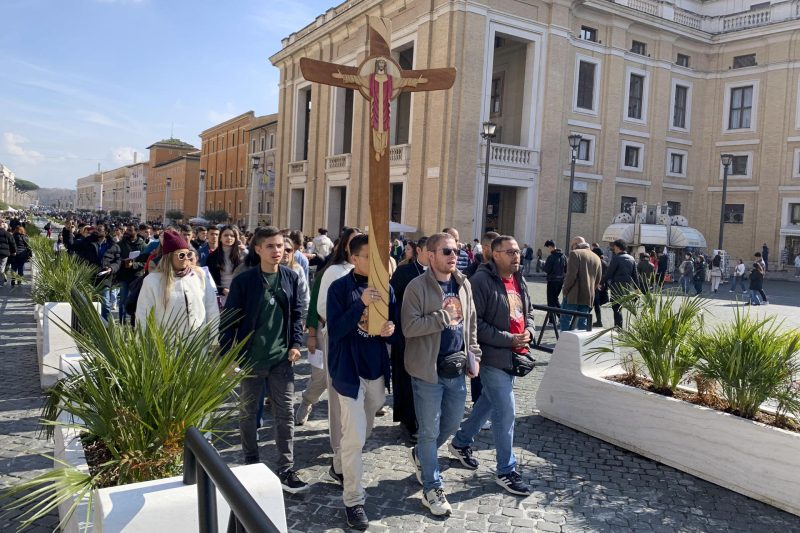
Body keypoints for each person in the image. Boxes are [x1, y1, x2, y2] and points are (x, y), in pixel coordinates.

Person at [221, 226, 309, 494]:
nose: (277, 251)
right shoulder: (244, 281)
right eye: (270, 246)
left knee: (285, 415)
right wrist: (227, 357)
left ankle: (286, 468)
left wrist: (296, 343)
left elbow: (297, 313)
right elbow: (229, 320)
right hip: (251, 358)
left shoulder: (290, 277)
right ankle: (251, 462)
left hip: (281, 360)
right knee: (249, 414)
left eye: (280, 246)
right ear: (258, 249)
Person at [402, 232, 481, 516]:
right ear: (430, 255)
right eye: (447, 251)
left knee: (451, 424)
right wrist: (442, 317)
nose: (453, 256)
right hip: (427, 370)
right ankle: (432, 487)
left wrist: (474, 354)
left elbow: (470, 323)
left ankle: (422, 456)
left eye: (456, 251)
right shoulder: (416, 286)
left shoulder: (463, 284)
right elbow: (409, 327)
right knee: (429, 430)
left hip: (456, 368)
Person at [450, 235, 533, 496]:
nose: (516, 256)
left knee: (487, 402)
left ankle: (461, 441)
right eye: (510, 252)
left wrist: (529, 330)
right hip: (493, 357)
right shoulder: (481, 281)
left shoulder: (519, 278)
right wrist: (509, 339)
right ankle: (506, 470)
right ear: (495, 254)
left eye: (517, 251)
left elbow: (528, 312)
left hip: (515, 356)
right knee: (505, 412)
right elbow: (475, 323)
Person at [326, 234, 397, 530]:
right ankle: (353, 500)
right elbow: (336, 331)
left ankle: (338, 465)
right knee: (355, 437)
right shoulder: (339, 288)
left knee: (362, 430)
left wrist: (391, 330)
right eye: (369, 256)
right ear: (354, 258)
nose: (375, 261)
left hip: (375, 369)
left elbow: (393, 328)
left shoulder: (386, 287)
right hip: (348, 371)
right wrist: (360, 304)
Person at [299, 227, 362, 484]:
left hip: (363, 342)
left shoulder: (371, 272)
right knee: (336, 394)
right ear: (345, 246)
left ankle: (350, 445)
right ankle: (339, 453)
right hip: (337, 338)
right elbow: (320, 306)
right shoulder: (333, 272)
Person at [134, 230, 219, 335]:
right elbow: (143, 314)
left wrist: (214, 337)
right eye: (181, 255)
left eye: (188, 254)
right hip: (166, 340)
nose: (186, 258)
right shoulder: (152, 281)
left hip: (198, 339)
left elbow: (211, 308)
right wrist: (143, 341)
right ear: (169, 257)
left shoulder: (199, 275)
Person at [388, 236, 429, 442]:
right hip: (405, 335)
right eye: (429, 250)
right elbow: (391, 300)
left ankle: (426, 420)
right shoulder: (404, 272)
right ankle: (408, 421)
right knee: (405, 380)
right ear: (419, 251)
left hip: (430, 338)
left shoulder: (439, 273)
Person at [74, 224, 121, 320]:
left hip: (105, 278)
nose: (96, 231)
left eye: (99, 230)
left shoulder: (113, 246)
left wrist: (111, 268)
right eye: (96, 229)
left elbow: (118, 261)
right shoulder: (88, 242)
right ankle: (89, 323)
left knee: (105, 303)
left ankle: (105, 325)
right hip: (90, 276)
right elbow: (74, 246)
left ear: (106, 232)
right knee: (89, 303)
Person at [560, 237, 602, 331]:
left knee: (565, 319)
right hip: (588, 295)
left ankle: (564, 339)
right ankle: (581, 340)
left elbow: (571, 276)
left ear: (576, 244)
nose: (572, 247)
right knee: (583, 322)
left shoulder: (575, 253)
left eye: (572, 245)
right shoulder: (596, 257)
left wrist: (565, 290)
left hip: (573, 294)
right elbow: (598, 279)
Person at [602, 239, 637, 328]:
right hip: (627, 287)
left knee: (616, 308)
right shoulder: (632, 258)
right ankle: (619, 327)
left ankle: (618, 327)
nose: (613, 249)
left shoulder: (616, 258)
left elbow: (609, 273)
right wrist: (637, 288)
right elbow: (635, 276)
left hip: (616, 287)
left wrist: (600, 282)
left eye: (614, 247)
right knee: (620, 307)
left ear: (617, 247)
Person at [207, 225, 245, 306]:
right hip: (220, 296)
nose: (229, 238)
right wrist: (222, 290)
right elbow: (208, 279)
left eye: (232, 236)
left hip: (240, 294)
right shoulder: (213, 257)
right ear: (220, 238)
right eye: (226, 235)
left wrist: (245, 251)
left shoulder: (242, 254)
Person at [116, 224, 147, 323]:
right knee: (122, 301)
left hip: (136, 278)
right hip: (124, 277)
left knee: (133, 301)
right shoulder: (121, 244)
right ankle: (121, 322)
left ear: (136, 231)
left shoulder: (143, 246)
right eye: (127, 230)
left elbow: (146, 262)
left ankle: (132, 323)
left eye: (130, 230)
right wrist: (123, 262)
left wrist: (133, 264)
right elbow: (116, 258)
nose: (127, 232)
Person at [542, 240, 566, 309]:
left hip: (552, 280)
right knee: (555, 299)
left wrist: (542, 264)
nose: (548, 249)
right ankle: (560, 314)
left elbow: (547, 269)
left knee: (551, 300)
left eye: (548, 247)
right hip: (560, 281)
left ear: (550, 247)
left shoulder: (551, 257)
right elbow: (566, 269)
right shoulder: (563, 256)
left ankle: (553, 316)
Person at [592, 246, 609, 327]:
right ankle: (598, 321)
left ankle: (598, 321)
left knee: (594, 304)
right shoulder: (604, 263)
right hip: (601, 286)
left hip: (597, 286)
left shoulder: (598, 262)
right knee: (595, 304)